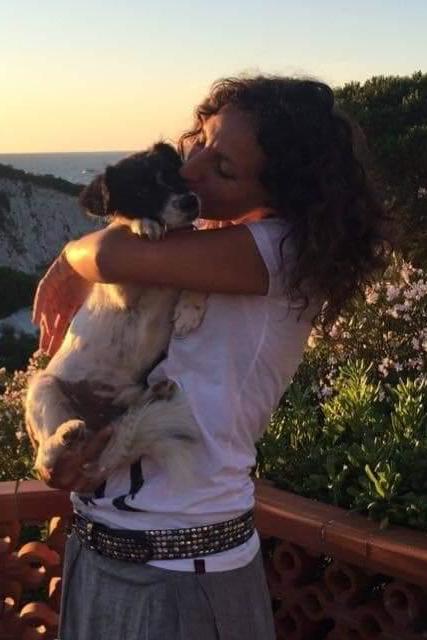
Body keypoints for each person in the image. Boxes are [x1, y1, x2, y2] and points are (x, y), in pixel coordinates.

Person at [31, 76, 388, 640]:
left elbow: (106, 253)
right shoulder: (196, 243)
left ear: (282, 191)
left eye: (223, 168)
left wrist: (71, 257)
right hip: (99, 549)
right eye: (200, 141)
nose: (192, 170)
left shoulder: (279, 251)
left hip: (183, 576)